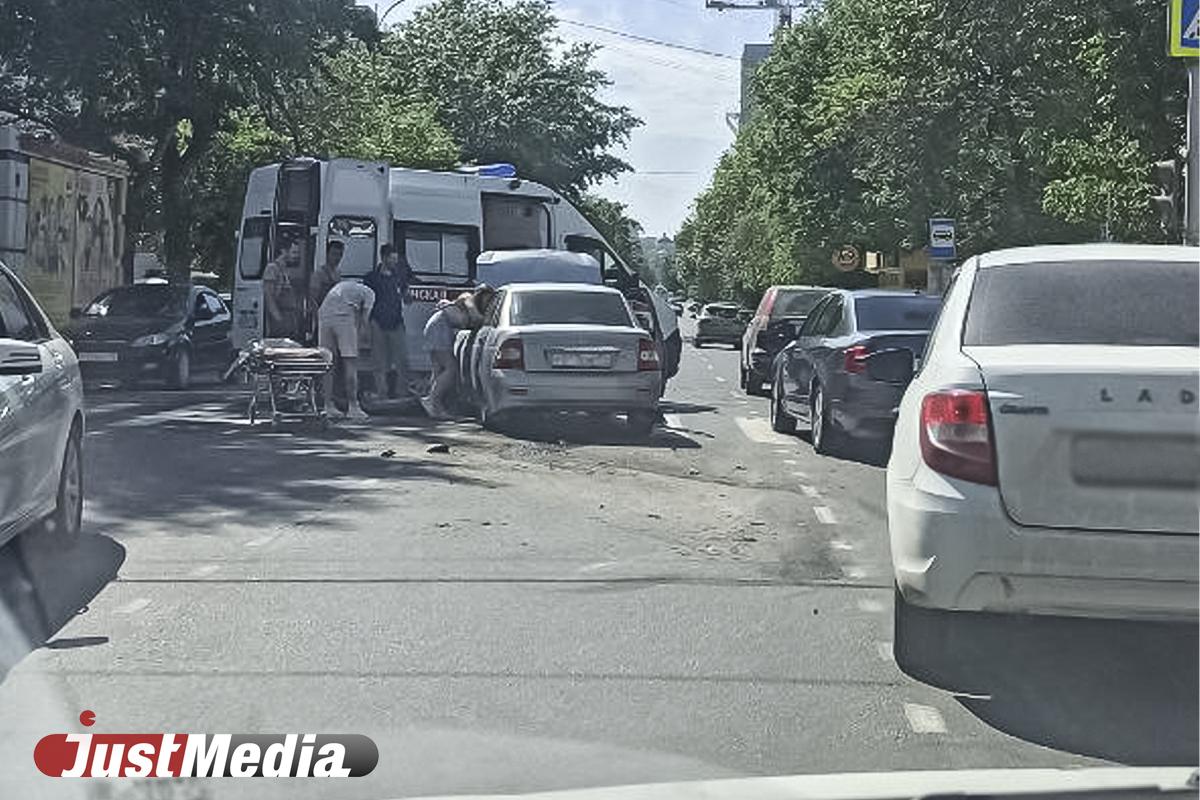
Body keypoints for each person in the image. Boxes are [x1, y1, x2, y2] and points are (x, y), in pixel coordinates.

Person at [363, 244, 417, 399]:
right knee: (379, 361)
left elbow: (407, 299)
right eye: (392, 258)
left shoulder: (399, 276)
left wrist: (407, 295)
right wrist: (365, 325)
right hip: (377, 322)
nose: (395, 262)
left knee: (402, 359)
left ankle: (402, 392)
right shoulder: (371, 278)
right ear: (384, 257)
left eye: (396, 259)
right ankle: (382, 393)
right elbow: (366, 302)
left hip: (396, 321)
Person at [318, 276, 375, 422]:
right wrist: (364, 341)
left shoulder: (344, 286)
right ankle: (353, 406)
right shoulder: (370, 293)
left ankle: (327, 405)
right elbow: (364, 320)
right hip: (343, 316)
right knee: (350, 362)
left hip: (324, 314)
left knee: (328, 363)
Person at [421, 295, 473, 420]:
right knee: (451, 368)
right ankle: (431, 400)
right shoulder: (453, 309)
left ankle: (436, 408)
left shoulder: (448, 308)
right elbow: (462, 322)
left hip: (433, 331)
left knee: (438, 370)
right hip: (439, 333)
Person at [262, 240, 307, 340]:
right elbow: (269, 297)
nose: (297, 256)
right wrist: (278, 319)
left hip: (290, 318)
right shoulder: (272, 268)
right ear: (283, 251)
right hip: (280, 318)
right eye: (294, 252)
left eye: (298, 253)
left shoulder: (285, 270)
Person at [309, 240, 345, 341]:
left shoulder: (338, 273)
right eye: (334, 254)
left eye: (340, 255)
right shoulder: (319, 274)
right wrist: (318, 319)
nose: (337, 258)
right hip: (323, 317)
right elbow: (313, 299)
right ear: (327, 254)